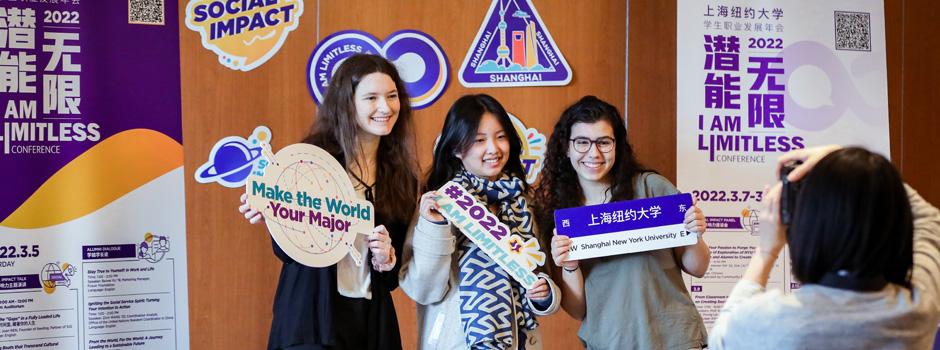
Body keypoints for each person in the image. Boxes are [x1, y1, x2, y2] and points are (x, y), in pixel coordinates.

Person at [239, 54, 419, 350]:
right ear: (347, 104)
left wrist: (386, 259)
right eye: (371, 98)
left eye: (392, 96)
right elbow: (287, 252)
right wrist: (274, 214)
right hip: (311, 318)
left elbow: (390, 280)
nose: (385, 107)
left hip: (369, 322)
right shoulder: (312, 159)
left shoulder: (400, 177)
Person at [709, 145, 940, 349]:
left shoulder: (770, 320)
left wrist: (765, 252)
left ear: (806, 228)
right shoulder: (917, 309)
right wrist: (861, 170)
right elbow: (930, 221)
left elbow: (720, 338)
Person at [535, 96, 710, 349]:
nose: (593, 153)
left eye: (604, 142)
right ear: (566, 147)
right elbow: (577, 310)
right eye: (582, 142)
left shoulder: (650, 187)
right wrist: (570, 266)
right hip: (611, 341)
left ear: (617, 146)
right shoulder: (562, 217)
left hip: (675, 338)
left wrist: (695, 233)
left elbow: (698, 267)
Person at [399, 94, 560, 349]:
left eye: (501, 137)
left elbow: (541, 276)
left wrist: (543, 295)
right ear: (455, 148)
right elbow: (423, 289)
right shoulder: (438, 205)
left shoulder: (523, 204)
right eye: (479, 140)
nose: (493, 149)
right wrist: (436, 227)